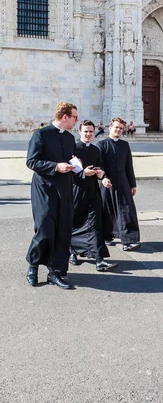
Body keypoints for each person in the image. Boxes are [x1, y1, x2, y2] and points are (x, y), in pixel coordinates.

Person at [26, 101, 79, 290]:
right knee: (44, 228)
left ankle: (56, 272)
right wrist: (56, 166)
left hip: (65, 187)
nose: (76, 120)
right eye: (74, 116)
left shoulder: (70, 138)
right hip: (45, 188)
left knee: (63, 229)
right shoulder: (41, 134)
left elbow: (71, 158)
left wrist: (77, 165)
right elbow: (32, 161)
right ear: (65, 117)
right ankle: (33, 265)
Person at [70, 120, 118, 272]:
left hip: (93, 191)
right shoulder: (74, 148)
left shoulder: (96, 150)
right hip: (77, 190)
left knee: (95, 223)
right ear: (80, 132)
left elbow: (100, 168)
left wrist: (103, 177)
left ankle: (99, 259)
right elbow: (70, 172)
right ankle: (72, 252)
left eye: (91, 131)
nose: (89, 134)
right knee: (75, 222)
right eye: (86, 131)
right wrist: (83, 173)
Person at [97, 117, 141, 251]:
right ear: (110, 127)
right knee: (107, 210)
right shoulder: (101, 144)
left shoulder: (124, 145)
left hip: (123, 181)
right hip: (107, 182)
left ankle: (128, 240)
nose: (118, 130)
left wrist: (133, 184)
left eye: (121, 128)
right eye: (116, 127)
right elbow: (99, 165)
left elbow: (129, 166)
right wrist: (103, 177)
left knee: (126, 210)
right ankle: (107, 236)